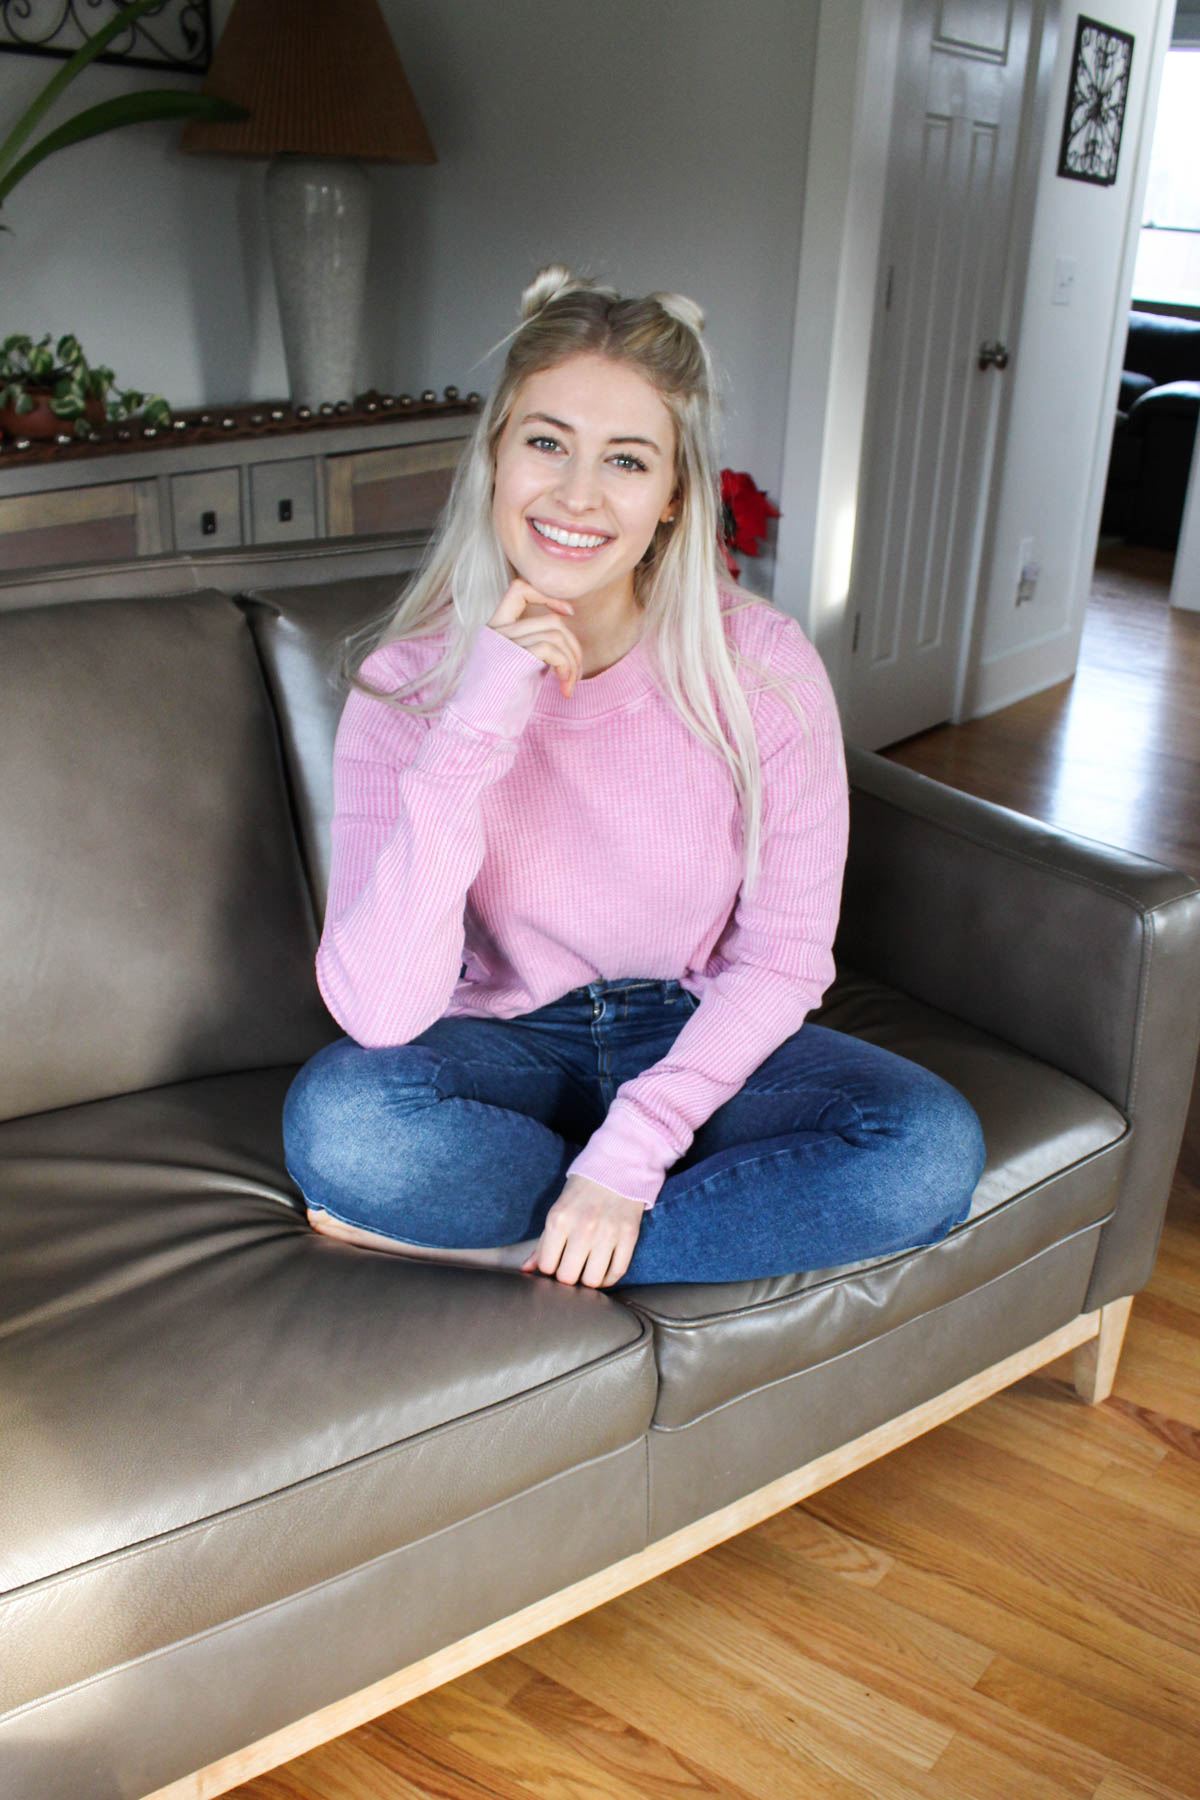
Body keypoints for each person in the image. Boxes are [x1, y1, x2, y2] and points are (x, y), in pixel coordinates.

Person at [283, 265, 986, 1291]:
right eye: (546, 443)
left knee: (927, 1147)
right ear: (493, 460)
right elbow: (382, 1013)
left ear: (671, 499)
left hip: (694, 1027)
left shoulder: (762, 666)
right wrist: (481, 708)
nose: (576, 494)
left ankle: (525, 1242)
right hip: (507, 1047)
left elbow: (785, 959)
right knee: (344, 1125)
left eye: (625, 460)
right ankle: (602, 1231)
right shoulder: (408, 687)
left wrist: (628, 1157)